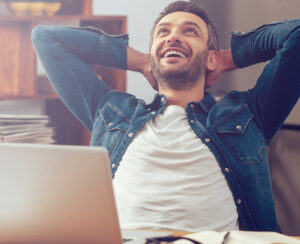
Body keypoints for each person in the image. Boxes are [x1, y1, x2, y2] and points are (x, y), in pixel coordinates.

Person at [31, 0, 299, 232]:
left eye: (190, 31)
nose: (172, 37)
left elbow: (296, 34)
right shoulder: (111, 111)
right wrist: (139, 60)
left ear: (211, 58)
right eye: (163, 32)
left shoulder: (249, 114)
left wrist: (229, 58)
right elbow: (45, 38)